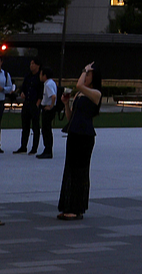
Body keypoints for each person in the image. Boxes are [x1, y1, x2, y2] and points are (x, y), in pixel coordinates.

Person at [57, 65, 102, 220]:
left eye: (88, 75)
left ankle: (77, 207)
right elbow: (71, 117)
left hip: (85, 135)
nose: (85, 77)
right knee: (70, 169)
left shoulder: (95, 93)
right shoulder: (80, 94)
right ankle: (68, 205)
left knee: (80, 171)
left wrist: (83, 70)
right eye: (85, 74)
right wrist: (66, 104)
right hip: (74, 133)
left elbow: (79, 85)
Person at [15, 61, 43, 155]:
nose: (31, 65)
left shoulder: (40, 76)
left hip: (35, 103)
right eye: (30, 64)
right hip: (27, 103)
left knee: (35, 126)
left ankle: (34, 147)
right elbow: (24, 87)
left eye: (33, 64)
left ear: (38, 65)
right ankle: (23, 146)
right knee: (25, 126)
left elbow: (41, 90)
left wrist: (38, 103)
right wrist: (22, 92)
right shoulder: (28, 76)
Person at [35, 66, 59, 159]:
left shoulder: (48, 84)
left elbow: (53, 96)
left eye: (41, 74)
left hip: (48, 110)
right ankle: (47, 149)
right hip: (48, 108)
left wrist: (50, 106)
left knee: (46, 130)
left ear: (44, 75)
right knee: (46, 129)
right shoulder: (51, 83)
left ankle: (48, 149)